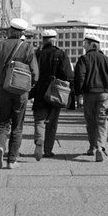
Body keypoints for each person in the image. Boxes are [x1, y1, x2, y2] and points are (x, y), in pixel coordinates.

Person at [0, 18, 39, 170]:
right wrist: (28, 88)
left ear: (9, 30)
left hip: (3, 90)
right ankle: (12, 160)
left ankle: (0, 148)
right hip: (21, 92)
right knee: (18, 126)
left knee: (2, 123)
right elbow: (35, 74)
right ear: (22, 33)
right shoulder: (27, 48)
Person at [73, 30, 108, 161]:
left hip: (89, 93)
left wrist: (78, 93)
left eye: (85, 44)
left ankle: (92, 146)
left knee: (91, 122)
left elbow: (79, 77)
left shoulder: (84, 59)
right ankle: (100, 146)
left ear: (91, 45)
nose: (84, 46)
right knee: (102, 121)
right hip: (104, 94)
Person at [31, 28, 73, 159]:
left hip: (39, 93)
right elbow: (68, 75)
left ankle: (39, 141)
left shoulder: (36, 55)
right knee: (52, 123)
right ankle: (47, 150)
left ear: (43, 41)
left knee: (39, 120)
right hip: (55, 93)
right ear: (54, 40)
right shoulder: (60, 54)